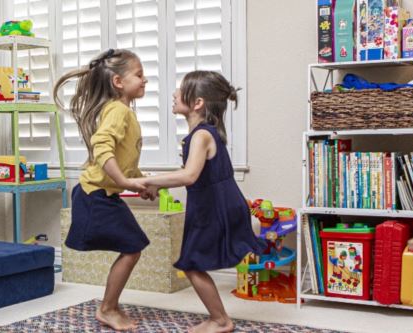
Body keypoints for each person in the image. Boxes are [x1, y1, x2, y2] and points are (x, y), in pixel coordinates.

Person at [132, 71, 262, 333]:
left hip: (215, 208)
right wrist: (155, 184)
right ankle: (218, 318)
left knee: (191, 264)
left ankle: (220, 320)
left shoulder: (202, 135)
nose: (174, 94)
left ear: (198, 103)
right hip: (210, 205)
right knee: (192, 262)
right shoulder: (200, 134)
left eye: (180, 90)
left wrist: (151, 180)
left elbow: (189, 176)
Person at [53, 48, 154, 331]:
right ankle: (107, 308)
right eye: (139, 74)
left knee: (133, 247)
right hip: (94, 195)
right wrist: (124, 182)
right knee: (132, 248)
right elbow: (102, 146)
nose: (144, 80)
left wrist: (139, 182)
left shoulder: (125, 113)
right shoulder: (118, 111)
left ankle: (110, 305)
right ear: (119, 82)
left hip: (103, 194)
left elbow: (124, 160)